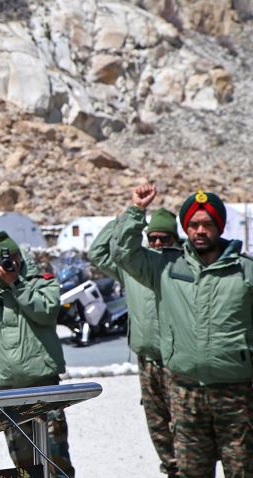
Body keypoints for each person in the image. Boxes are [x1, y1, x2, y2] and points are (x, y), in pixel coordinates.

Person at [111, 184, 253, 477]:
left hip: (235, 394)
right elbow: (123, 253)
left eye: (207, 224)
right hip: (185, 394)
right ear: (186, 228)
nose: (200, 230)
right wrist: (137, 211)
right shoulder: (166, 266)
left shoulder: (244, 271)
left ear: (219, 227)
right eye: (193, 224)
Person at [0, 231, 73, 478]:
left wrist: (16, 283)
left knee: (56, 459)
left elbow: (47, 312)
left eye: (13, 257)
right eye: (1, 260)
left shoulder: (40, 282)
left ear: (20, 257)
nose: (9, 263)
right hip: (9, 389)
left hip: (44, 385)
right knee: (24, 466)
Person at [88, 208, 179, 477]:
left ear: (175, 239)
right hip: (146, 360)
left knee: (184, 425)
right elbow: (98, 253)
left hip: (177, 361)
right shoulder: (134, 268)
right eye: (153, 238)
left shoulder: (181, 267)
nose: (158, 243)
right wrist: (123, 220)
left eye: (164, 239)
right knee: (157, 424)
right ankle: (172, 470)